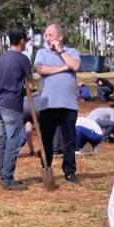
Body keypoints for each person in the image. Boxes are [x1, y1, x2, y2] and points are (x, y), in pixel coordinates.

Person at [34, 23, 82, 185]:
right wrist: (63, 68)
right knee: (46, 139)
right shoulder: (42, 52)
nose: (47, 39)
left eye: (50, 35)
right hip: (48, 104)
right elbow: (41, 69)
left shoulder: (72, 52)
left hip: (69, 105)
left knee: (69, 140)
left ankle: (69, 171)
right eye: (46, 36)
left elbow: (74, 65)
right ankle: (46, 168)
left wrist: (60, 51)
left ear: (60, 36)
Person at [0, 27, 33, 191]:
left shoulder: (2, 58)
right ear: (22, 41)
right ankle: (7, 178)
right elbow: (30, 85)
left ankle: (2, 175)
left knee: (3, 139)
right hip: (12, 105)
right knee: (13, 140)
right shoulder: (22, 59)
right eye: (26, 41)